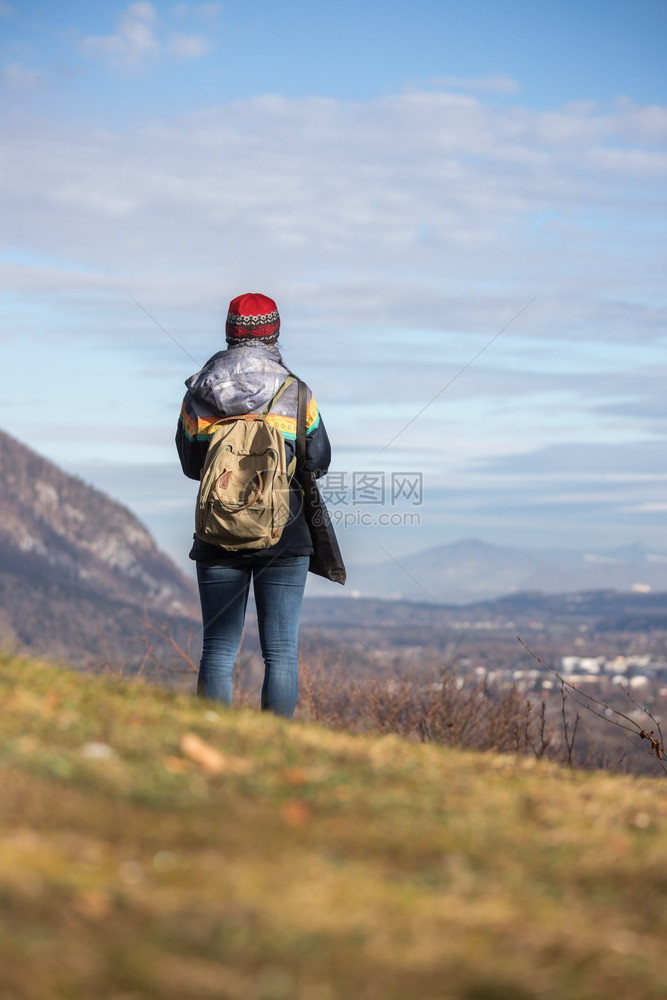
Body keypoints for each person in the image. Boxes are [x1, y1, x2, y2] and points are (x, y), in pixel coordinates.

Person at [176, 292, 331, 718]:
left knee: (218, 649)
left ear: (230, 332)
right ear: (274, 331)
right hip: (285, 531)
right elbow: (318, 460)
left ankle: (213, 736)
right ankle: (274, 745)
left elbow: (192, 466)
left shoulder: (198, 393)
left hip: (217, 532)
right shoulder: (296, 393)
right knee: (281, 651)